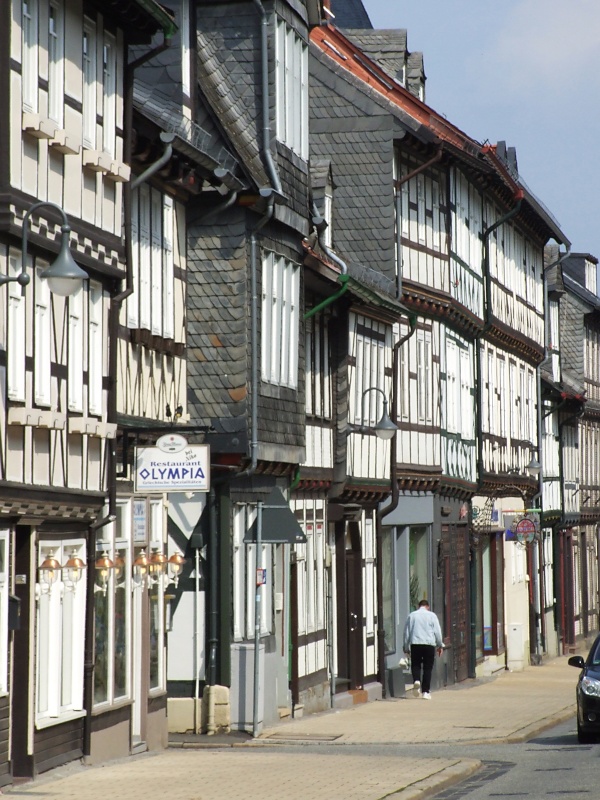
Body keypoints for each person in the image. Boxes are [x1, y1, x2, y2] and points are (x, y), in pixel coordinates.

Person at [403, 599, 444, 700]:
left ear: (418, 606)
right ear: (428, 607)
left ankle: (416, 680)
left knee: (416, 664)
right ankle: (425, 691)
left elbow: (406, 632)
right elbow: (437, 632)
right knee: (427, 668)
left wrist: (405, 647)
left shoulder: (412, 615)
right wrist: (440, 645)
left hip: (415, 643)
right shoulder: (432, 616)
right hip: (429, 644)